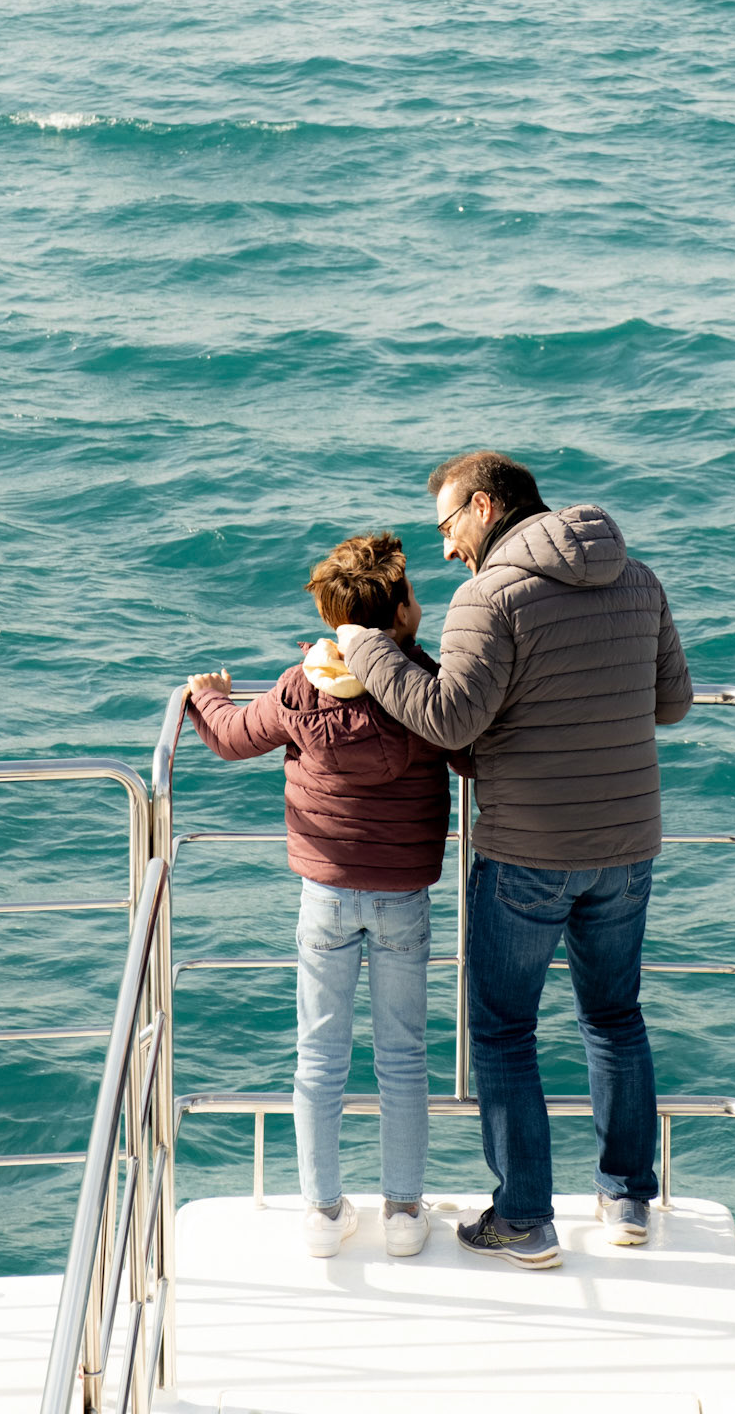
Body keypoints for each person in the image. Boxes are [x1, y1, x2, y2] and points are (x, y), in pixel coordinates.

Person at [336, 450, 692, 1271]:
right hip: (626, 847)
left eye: (447, 525)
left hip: (529, 850)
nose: (446, 548)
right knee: (615, 1017)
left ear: (486, 507)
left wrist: (364, 647)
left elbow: (450, 720)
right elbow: (672, 702)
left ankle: (526, 1219)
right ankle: (628, 1199)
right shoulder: (638, 579)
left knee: (502, 1031)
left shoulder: (487, 596)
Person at [187, 532, 457, 1262]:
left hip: (326, 893)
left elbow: (232, 736)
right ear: (398, 616)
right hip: (403, 894)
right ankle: (403, 1213)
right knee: (403, 1058)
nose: (420, 601)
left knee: (318, 1056)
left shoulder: (298, 687)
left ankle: (322, 1212)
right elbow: (471, 745)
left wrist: (207, 697)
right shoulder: (423, 685)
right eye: (412, 594)